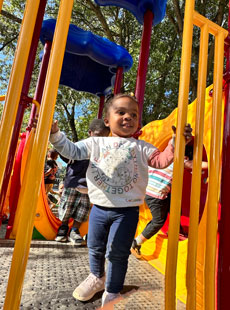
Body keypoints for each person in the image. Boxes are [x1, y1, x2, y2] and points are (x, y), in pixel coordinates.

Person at [49, 93, 192, 307]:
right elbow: (72, 150)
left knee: (117, 252)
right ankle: (97, 277)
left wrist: (175, 142)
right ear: (107, 120)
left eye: (133, 115)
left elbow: (161, 161)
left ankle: (113, 291)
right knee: (95, 246)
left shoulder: (142, 147)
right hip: (98, 208)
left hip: (126, 211)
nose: (128, 117)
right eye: (121, 112)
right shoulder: (95, 143)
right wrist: (55, 133)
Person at [131, 144, 208, 256]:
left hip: (148, 192)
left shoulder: (163, 157)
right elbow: (197, 164)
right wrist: (215, 164)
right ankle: (136, 242)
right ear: (186, 157)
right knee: (158, 221)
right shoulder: (179, 160)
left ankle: (176, 230)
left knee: (175, 204)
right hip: (156, 196)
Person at [55, 119, 110, 244]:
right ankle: (63, 227)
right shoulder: (81, 148)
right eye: (97, 136)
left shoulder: (103, 151)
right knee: (67, 207)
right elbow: (67, 155)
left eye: (104, 138)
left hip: (89, 187)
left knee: (83, 211)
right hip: (74, 184)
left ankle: (75, 230)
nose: (99, 140)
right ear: (90, 133)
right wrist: (59, 145)